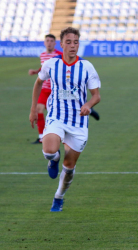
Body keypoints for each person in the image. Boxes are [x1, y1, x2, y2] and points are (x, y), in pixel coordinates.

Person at [29, 27, 101, 212]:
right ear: (62, 45)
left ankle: (59, 197)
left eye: (75, 42)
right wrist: (33, 110)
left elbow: (96, 96)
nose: (72, 46)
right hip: (56, 117)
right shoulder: (52, 64)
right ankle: (53, 160)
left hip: (78, 122)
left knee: (69, 168)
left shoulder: (87, 66)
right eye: (68, 42)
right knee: (49, 150)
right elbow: (38, 84)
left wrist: (88, 105)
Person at [28, 35, 100, 144]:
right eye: (47, 41)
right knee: (39, 110)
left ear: (56, 43)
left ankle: (87, 108)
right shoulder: (42, 55)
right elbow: (44, 68)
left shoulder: (59, 55)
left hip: (56, 89)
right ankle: (42, 136)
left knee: (62, 110)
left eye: (52, 41)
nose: (49, 43)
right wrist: (36, 71)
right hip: (44, 89)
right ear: (44, 42)